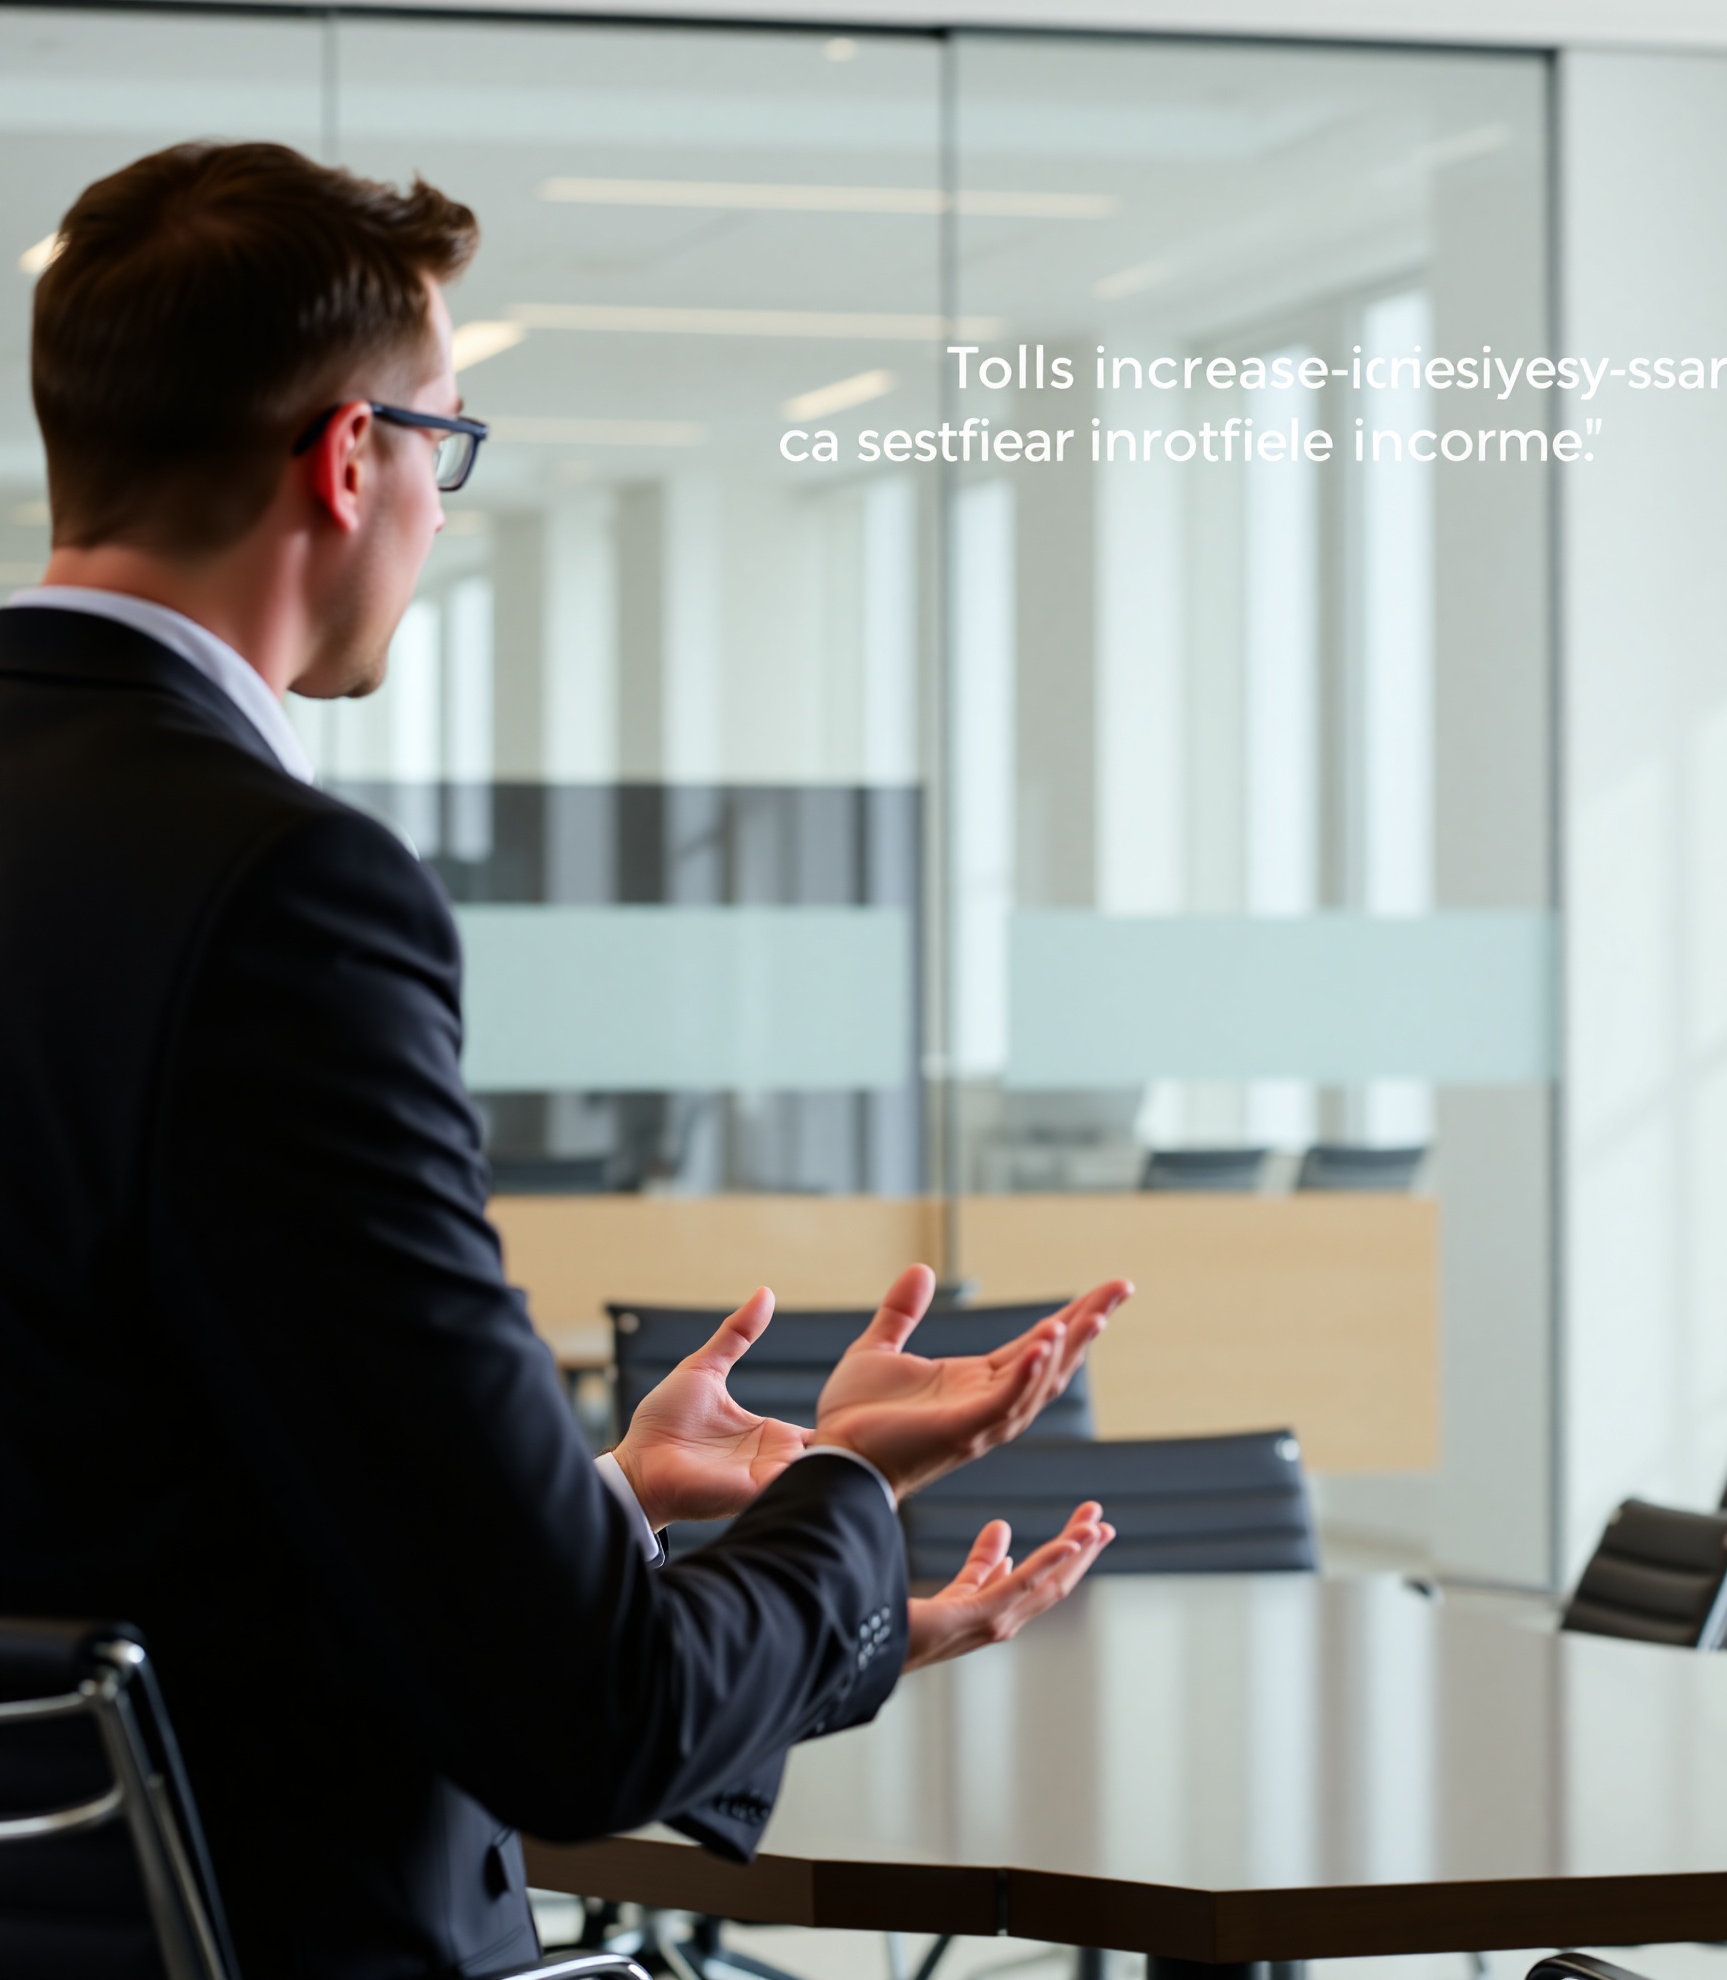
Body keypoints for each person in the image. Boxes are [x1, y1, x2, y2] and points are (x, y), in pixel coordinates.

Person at [0, 141, 1131, 1979]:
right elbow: (582, 1721)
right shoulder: (282, 890)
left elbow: (122, 1480)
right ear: (349, 457)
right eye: (446, 446)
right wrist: (835, 1501)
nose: (440, 509)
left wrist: (587, 1495)